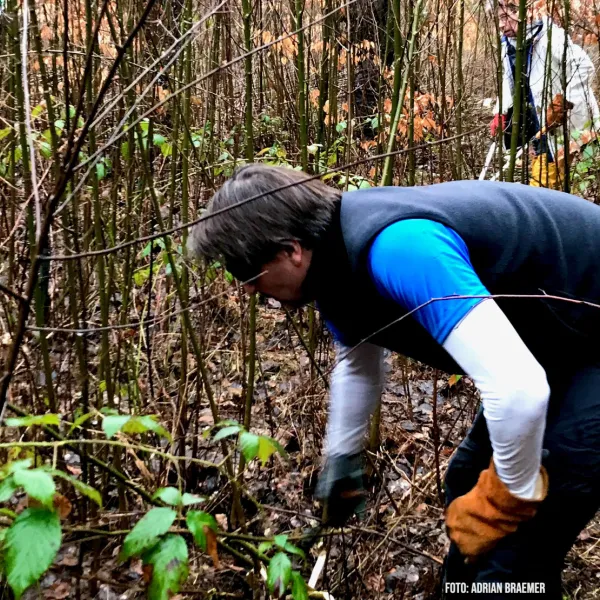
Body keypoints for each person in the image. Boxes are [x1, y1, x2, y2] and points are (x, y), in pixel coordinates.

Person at [189, 164, 600, 597]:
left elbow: (518, 388)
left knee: (513, 553)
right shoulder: (333, 263)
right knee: (466, 482)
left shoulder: (399, 249)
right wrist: (344, 458)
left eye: (248, 274)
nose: (248, 290)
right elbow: (357, 362)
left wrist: (509, 497)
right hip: (558, 341)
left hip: (586, 342)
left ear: (290, 250)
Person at [490, 1, 600, 188]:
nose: (501, 25)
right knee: (546, 176)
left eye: (505, 18)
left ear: (522, 13)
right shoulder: (508, 45)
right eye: (498, 18)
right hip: (536, 123)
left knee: (544, 185)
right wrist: (500, 111)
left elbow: (584, 67)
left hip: (566, 125)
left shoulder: (550, 37)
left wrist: (563, 103)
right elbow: (510, 81)